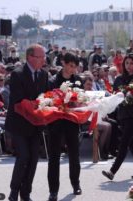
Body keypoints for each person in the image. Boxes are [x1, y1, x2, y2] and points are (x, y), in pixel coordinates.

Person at [5, 44, 49, 201]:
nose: (44, 59)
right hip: (19, 123)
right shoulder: (17, 74)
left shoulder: (44, 74)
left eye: (44, 56)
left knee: (33, 159)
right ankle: (14, 191)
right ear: (30, 57)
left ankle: (26, 193)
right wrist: (37, 105)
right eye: (41, 56)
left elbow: (45, 97)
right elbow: (19, 100)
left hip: (36, 124)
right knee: (23, 156)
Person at [102, 53, 133, 181]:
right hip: (122, 114)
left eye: (131, 63)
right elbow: (116, 96)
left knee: (124, 142)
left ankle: (112, 171)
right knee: (131, 142)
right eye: (127, 63)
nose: (129, 66)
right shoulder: (119, 79)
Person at [47, 53, 82, 201]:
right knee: (54, 158)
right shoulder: (53, 80)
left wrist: (78, 103)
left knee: (74, 155)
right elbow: (48, 100)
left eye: (75, 66)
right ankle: (53, 191)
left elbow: (83, 100)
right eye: (70, 66)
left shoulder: (78, 80)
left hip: (72, 122)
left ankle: (76, 184)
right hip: (55, 123)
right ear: (63, 63)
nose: (73, 69)